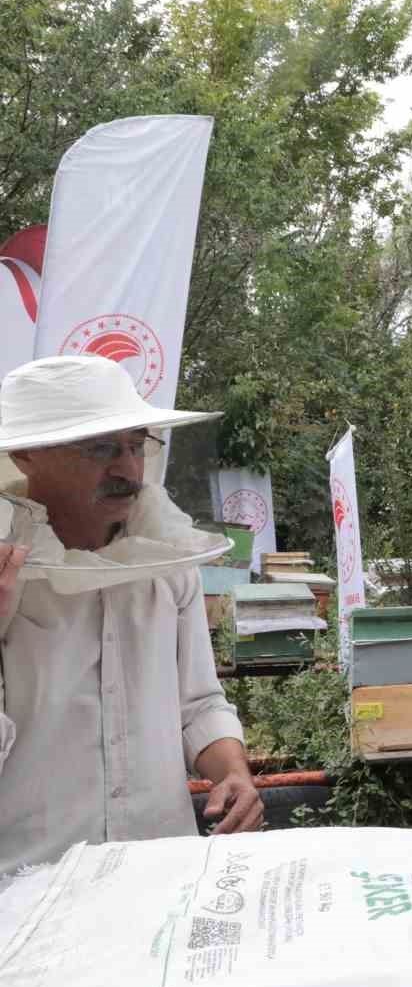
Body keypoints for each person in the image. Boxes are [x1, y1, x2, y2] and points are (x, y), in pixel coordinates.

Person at [0, 356, 263, 875]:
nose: (126, 468)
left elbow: (198, 703)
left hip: (159, 871)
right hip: (27, 884)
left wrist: (233, 772)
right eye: (100, 447)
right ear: (27, 454)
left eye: (136, 445)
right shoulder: (8, 572)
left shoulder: (167, 560)